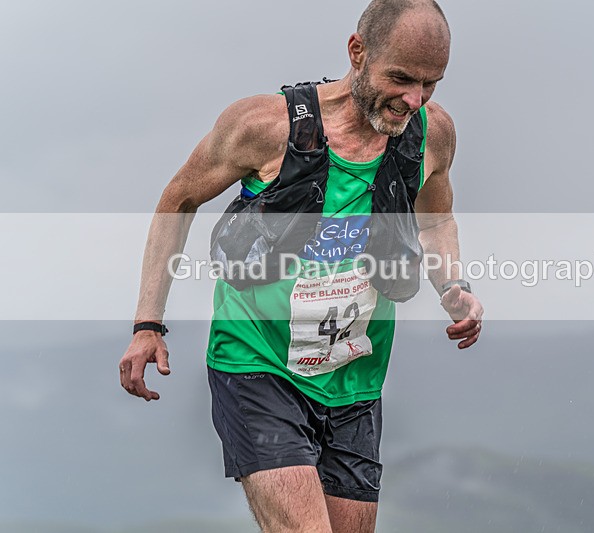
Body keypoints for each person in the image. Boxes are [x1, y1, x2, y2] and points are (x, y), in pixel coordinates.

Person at [119, 0, 483, 531]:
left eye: (430, 84)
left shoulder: (433, 134)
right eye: (402, 78)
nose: (413, 100)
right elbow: (178, 200)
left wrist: (454, 284)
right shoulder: (264, 125)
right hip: (257, 366)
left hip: (356, 382)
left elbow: (435, 222)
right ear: (357, 52)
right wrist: (147, 323)